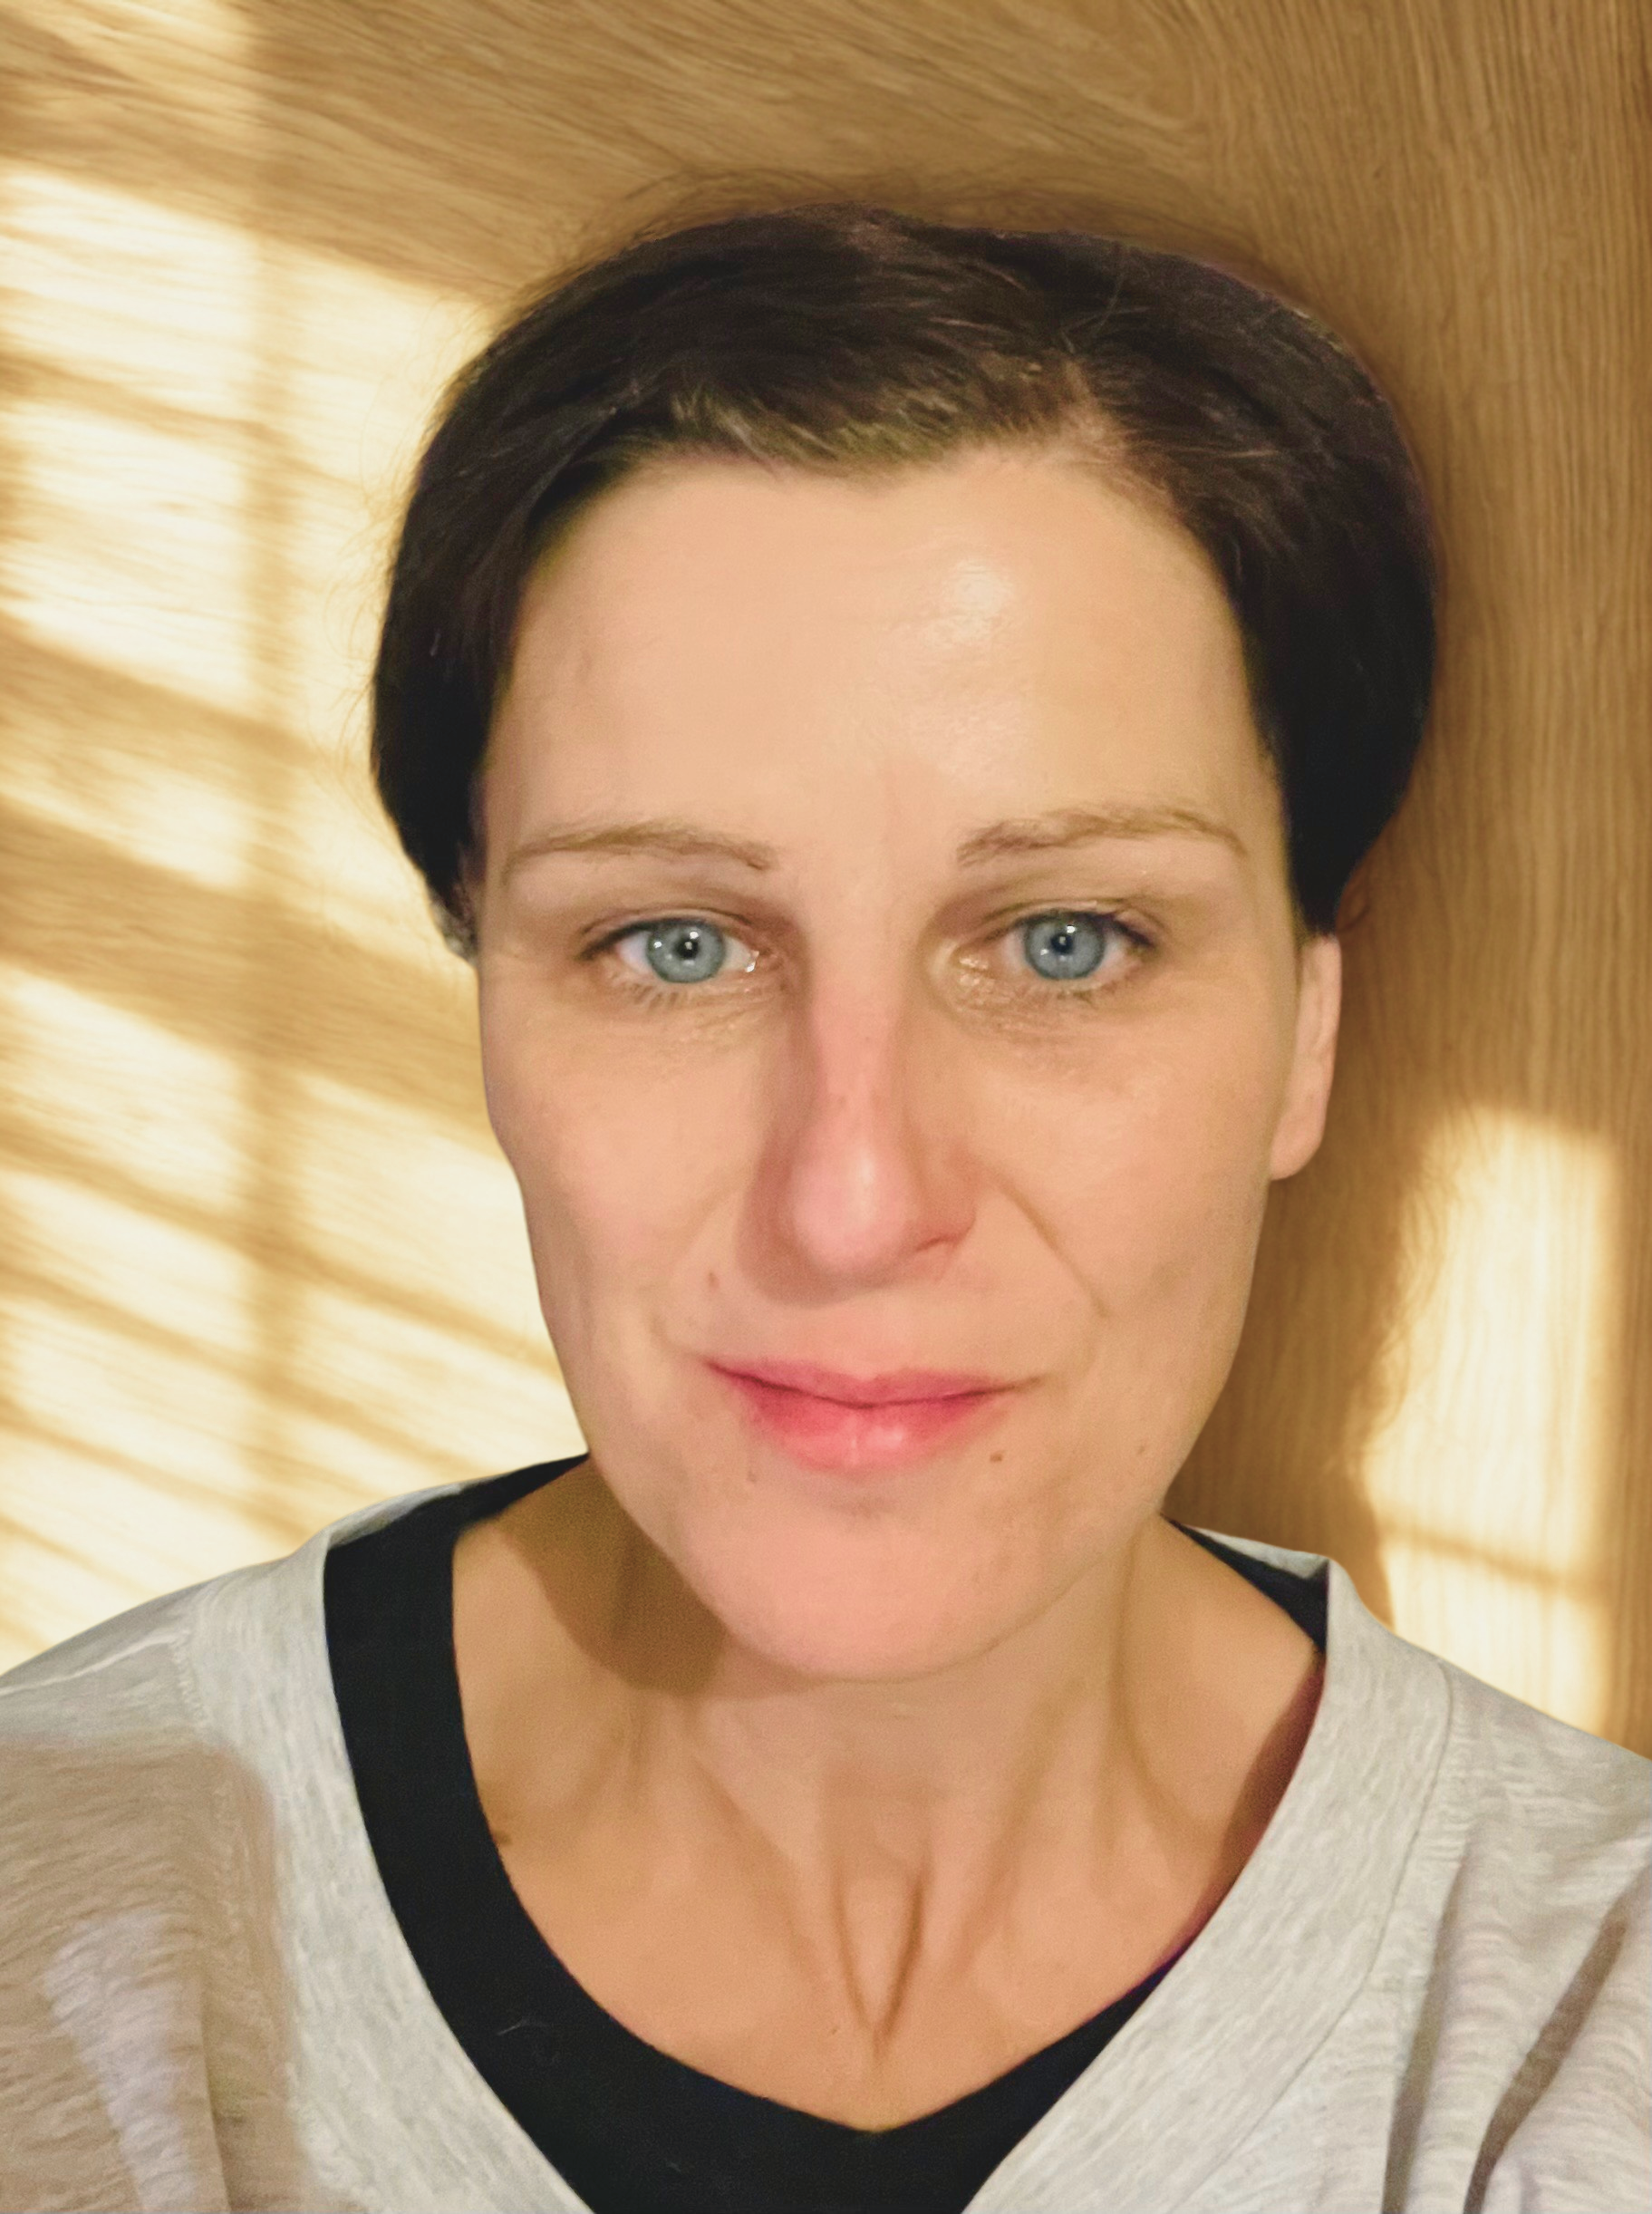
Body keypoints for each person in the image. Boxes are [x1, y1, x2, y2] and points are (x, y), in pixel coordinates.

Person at [0, 201, 1645, 2214]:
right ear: (488, 1001)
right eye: (674, 947)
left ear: (1308, 1031)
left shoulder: (1584, 2007)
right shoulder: (64, 1895)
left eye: (1061, 941)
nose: (852, 1202)